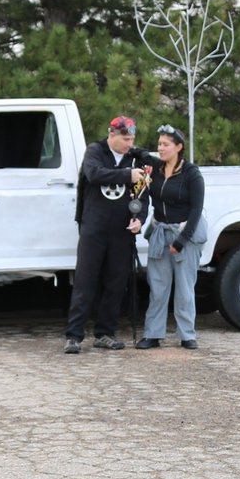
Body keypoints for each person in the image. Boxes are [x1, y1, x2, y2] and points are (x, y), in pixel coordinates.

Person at [64, 116, 150, 354]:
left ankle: (105, 333)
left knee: (116, 282)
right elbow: (94, 174)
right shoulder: (95, 151)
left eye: (132, 139)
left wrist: (139, 219)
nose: (128, 144)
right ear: (111, 134)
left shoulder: (135, 158)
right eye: (125, 139)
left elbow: (142, 193)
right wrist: (126, 175)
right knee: (85, 280)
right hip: (94, 226)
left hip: (121, 229)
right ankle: (74, 335)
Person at [135, 124, 206, 351]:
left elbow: (196, 210)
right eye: (159, 144)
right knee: (157, 285)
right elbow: (139, 154)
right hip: (159, 232)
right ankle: (153, 334)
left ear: (178, 147)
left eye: (165, 144)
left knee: (185, 288)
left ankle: (187, 335)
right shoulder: (154, 169)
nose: (161, 148)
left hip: (184, 233)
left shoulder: (191, 174)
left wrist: (181, 241)